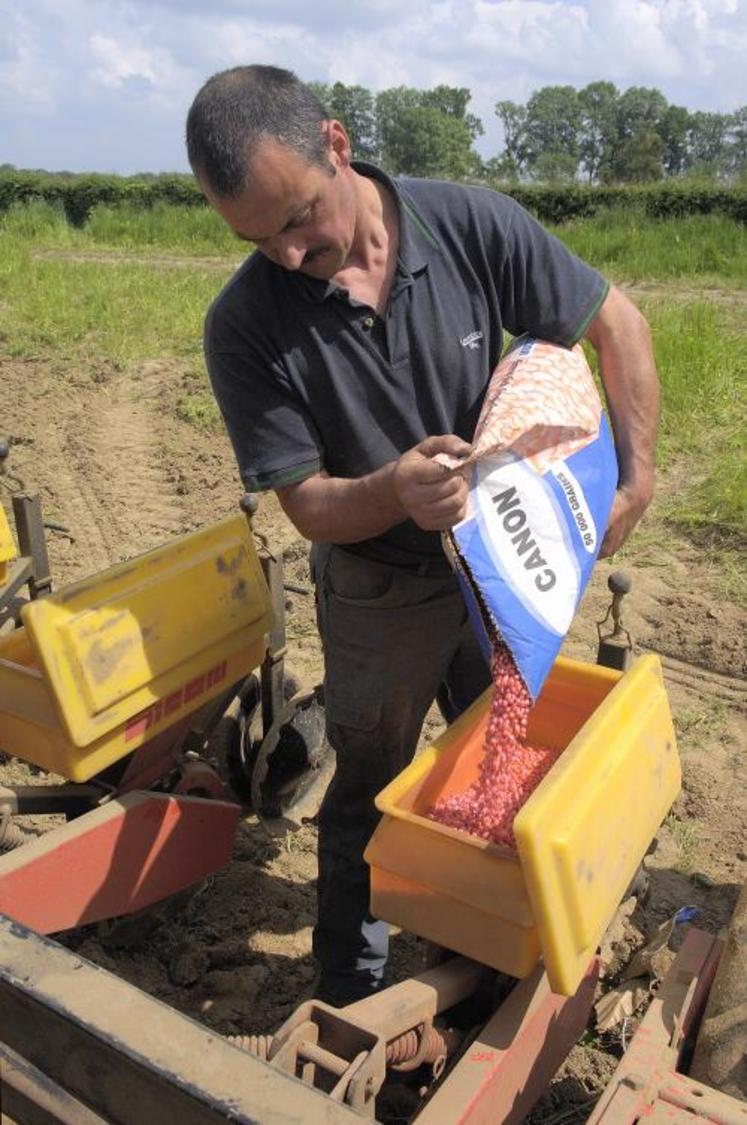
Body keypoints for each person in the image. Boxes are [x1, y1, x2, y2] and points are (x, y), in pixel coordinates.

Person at [185, 65, 659, 1006]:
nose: (284, 254)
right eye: (254, 237)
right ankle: (352, 985)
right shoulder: (243, 323)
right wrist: (396, 490)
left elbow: (618, 324)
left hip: (500, 576)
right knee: (368, 785)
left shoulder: (469, 224)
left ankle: (487, 958)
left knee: (502, 764)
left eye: (296, 220)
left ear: (336, 145)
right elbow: (309, 505)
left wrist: (635, 479)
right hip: (377, 590)